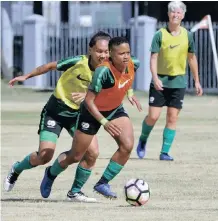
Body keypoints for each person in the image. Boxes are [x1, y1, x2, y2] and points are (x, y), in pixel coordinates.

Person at [4, 31, 112, 202]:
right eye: (100, 51)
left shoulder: (108, 71)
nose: (103, 55)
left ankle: (73, 191)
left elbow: (109, 95)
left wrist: (87, 97)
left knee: (92, 153)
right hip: (55, 112)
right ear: (90, 50)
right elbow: (49, 66)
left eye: (106, 52)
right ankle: (17, 169)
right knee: (44, 155)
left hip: (79, 115)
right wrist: (27, 76)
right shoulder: (77, 62)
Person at [40, 36, 142, 199]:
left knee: (127, 146)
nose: (125, 56)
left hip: (114, 109)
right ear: (111, 55)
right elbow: (88, 100)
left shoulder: (132, 63)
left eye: (128, 52)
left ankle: (97, 184)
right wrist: (104, 122)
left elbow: (128, 77)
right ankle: (51, 173)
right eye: (121, 53)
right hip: (92, 112)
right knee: (76, 155)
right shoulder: (103, 71)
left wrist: (129, 92)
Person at [136, 1, 203, 161]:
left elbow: (192, 58)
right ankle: (143, 139)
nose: (175, 15)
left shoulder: (187, 35)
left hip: (178, 82)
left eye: (178, 12)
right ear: (168, 14)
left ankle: (164, 152)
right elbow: (153, 58)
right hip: (160, 80)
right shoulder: (160, 34)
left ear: (183, 15)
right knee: (153, 116)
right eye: (173, 12)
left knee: (172, 117)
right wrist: (155, 78)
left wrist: (197, 81)